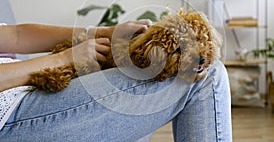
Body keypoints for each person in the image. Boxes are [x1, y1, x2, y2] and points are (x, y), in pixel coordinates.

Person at [0, 20, 232, 142]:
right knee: (205, 77)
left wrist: (105, 32)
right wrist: (64, 58)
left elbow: (14, 35)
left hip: (23, 93)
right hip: (9, 118)